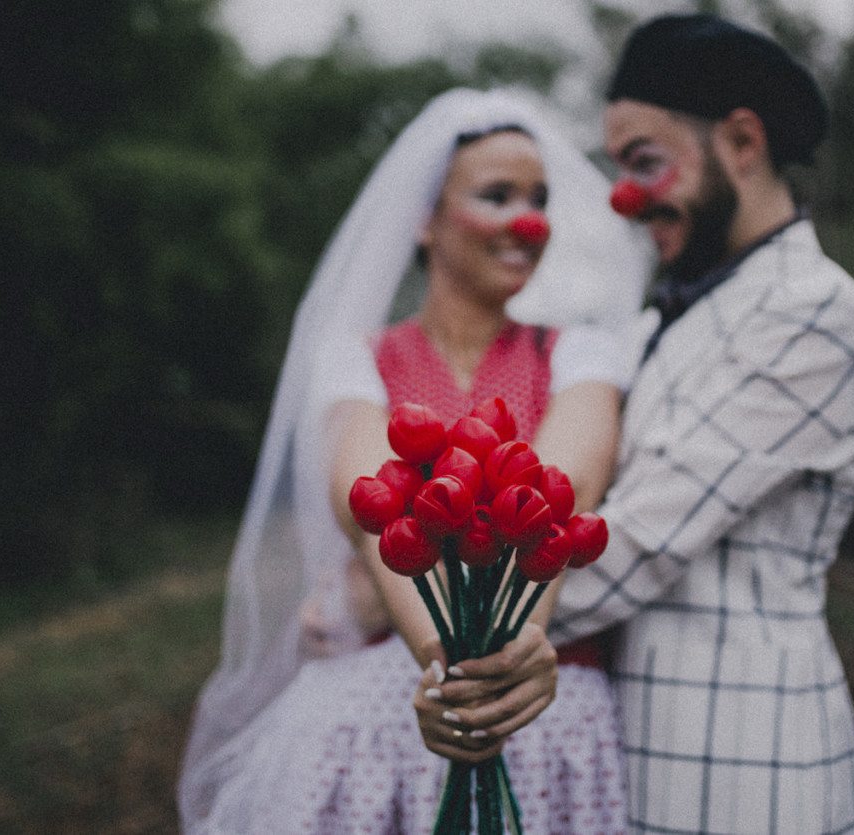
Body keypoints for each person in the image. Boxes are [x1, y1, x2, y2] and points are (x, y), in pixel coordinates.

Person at [422, 14, 854, 834]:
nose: (626, 200)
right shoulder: (651, 325)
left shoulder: (815, 312)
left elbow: (634, 540)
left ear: (742, 141)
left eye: (645, 163)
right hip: (626, 753)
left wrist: (434, 605)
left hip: (749, 769)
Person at [177, 87, 648, 833]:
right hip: (384, 709)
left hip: (545, 711)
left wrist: (511, 649)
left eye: (539, 198)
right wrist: (450, 662)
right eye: (497, 195)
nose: (529, 221)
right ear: (424, 220)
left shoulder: (579, 355)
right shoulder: (355, 363)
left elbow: (563, 492)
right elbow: (379, 509)